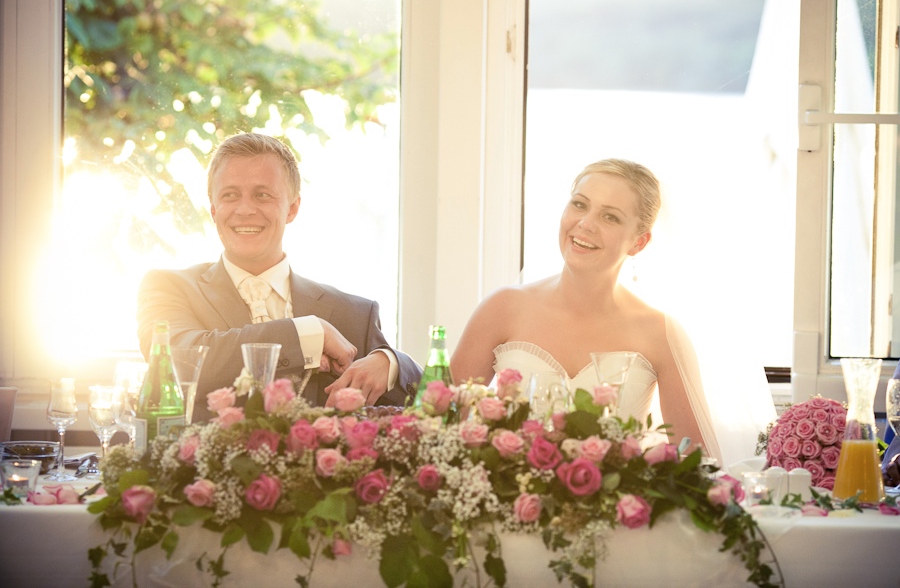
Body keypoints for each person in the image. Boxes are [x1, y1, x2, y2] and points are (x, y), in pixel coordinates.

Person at [450, 158, 722, 463]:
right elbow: (438, 427)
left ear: (639, 242)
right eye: (580, 205)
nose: (586, 223)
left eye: (610, 217)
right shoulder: (502, 308)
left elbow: (698, 465)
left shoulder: (660, 333)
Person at [137, 132, 421, 420]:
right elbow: (178, 363)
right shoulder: (168, 287)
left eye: (262, 195)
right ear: (213, 209)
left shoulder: (354, 313)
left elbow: (430, 403)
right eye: (230, 195)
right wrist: (307, 333)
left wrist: (392, 364)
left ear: (293, 208)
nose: (245, 209)